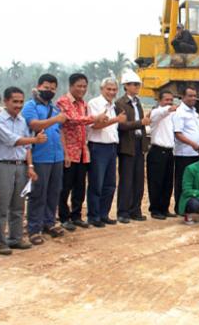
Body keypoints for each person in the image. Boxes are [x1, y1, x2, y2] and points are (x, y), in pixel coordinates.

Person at [0, 87, 45, 255]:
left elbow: (27, 147)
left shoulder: (22, 121)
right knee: (2, 205)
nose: (18, 105)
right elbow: (11, 140)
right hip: (4, 166)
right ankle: (0, 242)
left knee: (18, 205)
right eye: (15, 101)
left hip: (21, 166)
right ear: (6, 101)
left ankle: (15, 238)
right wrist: (35, 139)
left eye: (21, 102)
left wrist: (30, 167)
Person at [22, 73, 68, 245]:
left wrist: (65, 153)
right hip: (40, 156)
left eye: (53, 88)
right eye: (46, 87)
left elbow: (60, 131)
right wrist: (55, 119)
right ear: (39, 86)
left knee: (54, 191)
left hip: (56, 156)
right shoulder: (30, 106)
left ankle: (49, 222)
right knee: (38, 193)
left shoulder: (55, 108)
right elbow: (33, 124)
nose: (50, 90)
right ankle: (34, 228)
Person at [56, 73, 104, 231]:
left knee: (80, 186)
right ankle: (64, 217)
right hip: (69, 151)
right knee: (65, 187)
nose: (82, 89)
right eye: (79, 86)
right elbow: (72, 119)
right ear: (71, 86)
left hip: (83, 151)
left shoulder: (83, 103)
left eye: (84, 86)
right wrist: (94, 118)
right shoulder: (63, 102)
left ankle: (76, 216)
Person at [86, 78, 126, 227]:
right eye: (108, 89)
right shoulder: (94, 104)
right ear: (102, 89)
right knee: (96, 183)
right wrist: (116, 119)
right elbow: (95, 125)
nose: (111, 92)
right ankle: (93, 216)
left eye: (114, 89)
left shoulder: (113, 106)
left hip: (111, 147)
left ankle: (104, 214)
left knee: (109, 184)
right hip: (98, 147)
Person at [115, 70, 150, 223]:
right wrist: (140, 123)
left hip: (138, 143)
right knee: (126, 180)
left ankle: (135, 210)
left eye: (138, 84)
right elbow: (121, 125)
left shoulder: (137, 103)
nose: (136, 87)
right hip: (127, 145)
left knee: (138, 179)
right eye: (133, 84)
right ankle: (123, 211)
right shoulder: (120, 103)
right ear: (126, 86)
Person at [147, 89, 177, 220]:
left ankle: (164, 208)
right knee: (156, 182)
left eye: (171, 100)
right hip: (157, 151)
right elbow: (159, 112)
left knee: (167, 182)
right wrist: (169, 109)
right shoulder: (156, 112)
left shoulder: (171, 115)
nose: (169, 103)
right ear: (159, 101)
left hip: (169, 152)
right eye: (166, 100)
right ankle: (155, 209)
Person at [173, 86, 199, 213]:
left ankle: (192, 206)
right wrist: (193, 144)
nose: (192, 98)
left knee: (194, 182)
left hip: (195, 154)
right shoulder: (179, 113)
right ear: (183, 97)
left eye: (194, 96)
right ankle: (180, 208)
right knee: (182, 182)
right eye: (189, 95)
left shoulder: (194, 112)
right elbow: (178, 134)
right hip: (184, 154)